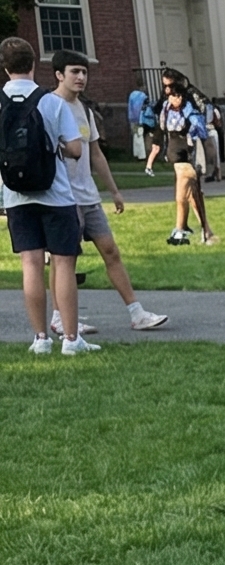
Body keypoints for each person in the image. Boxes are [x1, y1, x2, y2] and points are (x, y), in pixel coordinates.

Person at [47, 52, 167, 334]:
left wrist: (114, 191)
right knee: (65, 260)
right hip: (63, 198)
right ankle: (58, 318)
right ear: (59, 75)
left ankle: (137, 314)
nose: (81, 77)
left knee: (111, 251)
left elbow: (96, 154)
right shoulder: (48, 106)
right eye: (75, 71)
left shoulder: (84, 110)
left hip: (88, 196)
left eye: (84, 72)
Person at [2, 35, 97, 355]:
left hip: (15, 195)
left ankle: (40, 338)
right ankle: (71, 339)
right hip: (55, 193)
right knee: (63, 263)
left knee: (30, 264)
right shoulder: (51, 101)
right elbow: (73, 148)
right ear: (33, 64)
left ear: (4, 67)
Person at [160, 75, 214, 245]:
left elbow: (201, 130)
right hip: (175, 151)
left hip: (189, 150)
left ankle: (187, 229)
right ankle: (191, 229)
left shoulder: (190, 106)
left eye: (169, 86)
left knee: (188, 193)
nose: (168, 90)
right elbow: (161, 128)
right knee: (186, 193)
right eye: (166, 89)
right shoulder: (165, 107)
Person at [127, 80, 149, 163]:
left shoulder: (132, 95)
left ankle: (136, 153)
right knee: (140, 136)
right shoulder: (143, 96)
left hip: (132, 118)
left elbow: (130, 107)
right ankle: (141, 156)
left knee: (135, 136)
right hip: (140, 119)